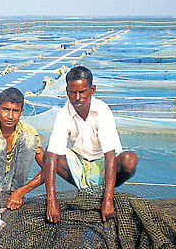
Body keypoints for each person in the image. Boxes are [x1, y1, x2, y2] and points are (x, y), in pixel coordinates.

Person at [44, 66, 138, 223]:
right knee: (47, 154)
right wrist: (51, 201)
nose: (78, 97)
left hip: (101, 165)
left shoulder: (102, 111)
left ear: (92, 90)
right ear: (67, 91)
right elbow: (53, 155)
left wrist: (108, 200)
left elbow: (110, 155)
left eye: (82, 92)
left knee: (129, 160)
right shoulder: (63, 113)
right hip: (79, 166)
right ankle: (86, 189)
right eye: (73, 93)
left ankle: (104, 190)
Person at [0, 87, 45, 210]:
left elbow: (48, 169)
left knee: (29, 139)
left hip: (16, 184)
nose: (10, 116)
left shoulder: (29, 130)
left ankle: (14, 193)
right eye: (6, 110)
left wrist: (21, 192)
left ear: (21, 112)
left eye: (15, 111)